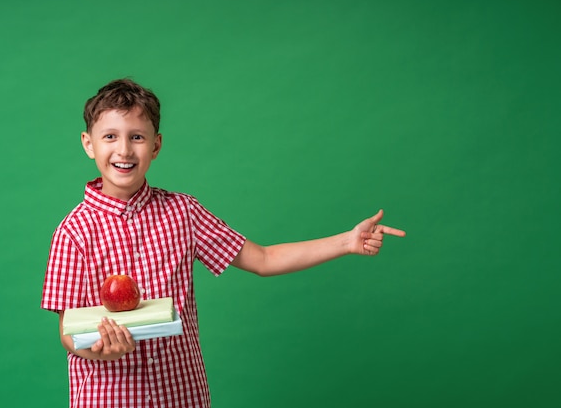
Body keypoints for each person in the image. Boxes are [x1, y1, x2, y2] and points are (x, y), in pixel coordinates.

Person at [41, 78, 406, 408]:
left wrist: (346, 241)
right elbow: (67, 333)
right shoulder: (73, 231)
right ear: (89, 144)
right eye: (110, 136)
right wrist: (100, 351)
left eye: (137, 136)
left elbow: (262, 259)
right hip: (108, 399)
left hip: (181, 396)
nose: (124, 149)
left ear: (156, 146)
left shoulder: (183, 212)